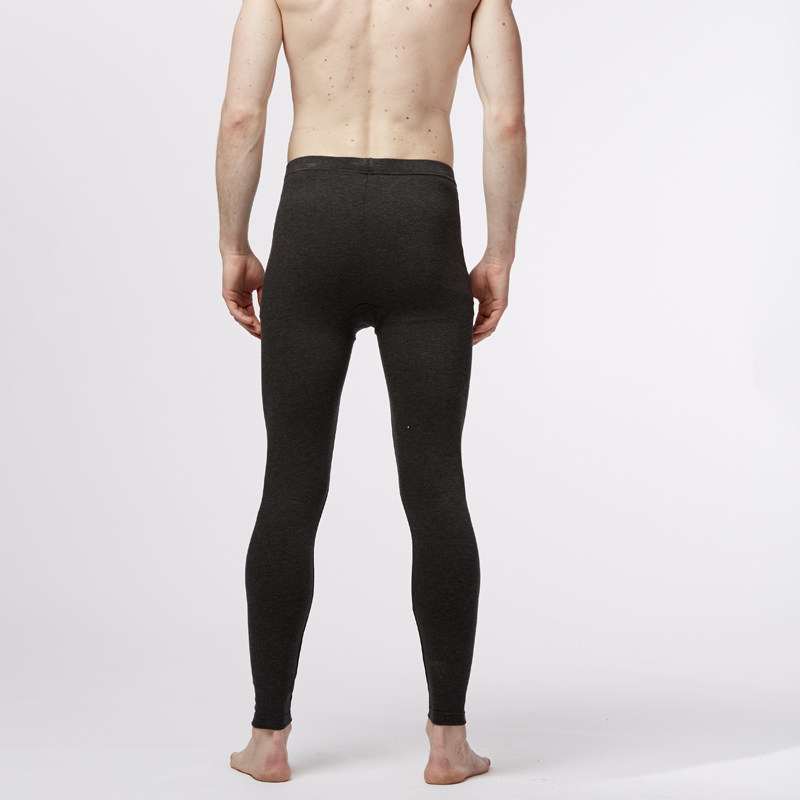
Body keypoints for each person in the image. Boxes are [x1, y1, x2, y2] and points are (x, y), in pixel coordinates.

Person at [215, 0, 525, 785]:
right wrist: (499, 253)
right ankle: (449, 743)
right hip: (422, 222)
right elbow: (505, 121)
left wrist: (232, 243)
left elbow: (243, 115)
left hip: (311, 222)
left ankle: (268, 739)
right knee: (436, 485)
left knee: (290, 486)